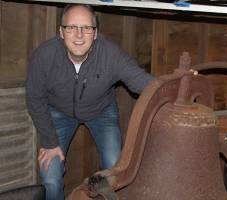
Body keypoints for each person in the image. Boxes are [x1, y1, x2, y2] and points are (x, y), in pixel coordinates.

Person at [25, 3, 154, 200]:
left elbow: (142, 82)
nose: (79, 35)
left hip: (101, 110)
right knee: (50, 178)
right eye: (72, 27)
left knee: (115, 169)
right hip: (58, 112)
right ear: (61, 32)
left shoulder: (110, 54)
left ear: (95, 33)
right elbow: (34, 98)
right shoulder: (44, 56)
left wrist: (178, 84)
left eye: (86, 28)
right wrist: (50, 142)